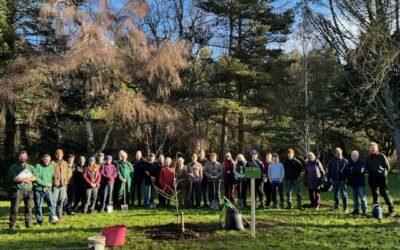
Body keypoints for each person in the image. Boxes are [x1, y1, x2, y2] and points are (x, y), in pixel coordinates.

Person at [7, 150, 37, 229]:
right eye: (21, 156)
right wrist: (23, 180)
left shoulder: (31, 167)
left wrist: (28, 178)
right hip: (17, 190)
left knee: (29, 209)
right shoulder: (13, 167)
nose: (23, 158)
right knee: (15, 209)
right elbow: (14, 178)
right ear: (18, 157)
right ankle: (12, 225)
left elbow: (35, 177)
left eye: (24, 156)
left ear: (27, 157)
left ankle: (28, 224)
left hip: (29, 190)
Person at [366, 142, 395, 217]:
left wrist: (384, 174)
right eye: (371, 148)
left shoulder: (381, 156)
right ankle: (376, 210)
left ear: (376, 148)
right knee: (375, 194)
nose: (372, 149)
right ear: (369, 149)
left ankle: (392, 210)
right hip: (372, 178)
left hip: (381, 177)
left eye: (374, 148)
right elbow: (367, 167)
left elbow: (387, 167)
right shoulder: (368, 157)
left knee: (384, 193)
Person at [33, 154, 59, 225]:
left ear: (50, 160)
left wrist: (50, 183)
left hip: (47, 189)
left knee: (53, 202)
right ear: (42, 159)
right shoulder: (38, 166)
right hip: (38, 189)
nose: (46, 160)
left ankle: (52, 218)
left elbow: (51, 178)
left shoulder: (51, 167)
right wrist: (44, 183)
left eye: (48, 159)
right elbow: (36, 178)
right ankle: (39, 220)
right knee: (38, 205)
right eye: (45, 159)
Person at [344, 150, 367, 216]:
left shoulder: (361, 162)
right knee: (355, 198)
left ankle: (364, 212)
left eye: (354, 155)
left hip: (360, 183)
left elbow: (360, 170)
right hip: (353, 183)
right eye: (352, 155)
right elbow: (346, 170)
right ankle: (356, 210)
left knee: (362, 198)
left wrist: (351, 169)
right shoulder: (349, 162)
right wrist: (353, 169)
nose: (353, 156)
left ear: (358, 156)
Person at [51, 149, 72, 220]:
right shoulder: (52, 163)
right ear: (55, 155)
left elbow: (68, 172)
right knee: (54, 200)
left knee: (62, 199)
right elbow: (50, 173)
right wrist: (52, 181)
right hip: (55, 185)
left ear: (62, 155)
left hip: (63, 185)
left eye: (60, 154)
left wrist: (67, 179)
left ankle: (59, 213)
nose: (59, 155)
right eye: (57, 154)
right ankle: (53, 215)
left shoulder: (65, 163)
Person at [328, 147, 349, 213]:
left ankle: (345, 208)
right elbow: (329, 171)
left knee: (344, 194)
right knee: (335, 194)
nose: (339, 154)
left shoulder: (345, 161)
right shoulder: (331, 161)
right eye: (337, 153)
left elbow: (348, 171)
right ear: (335, 153)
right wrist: (329, 179)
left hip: (343, 180)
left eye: (340, 153)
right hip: (334, 180)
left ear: (342, 153)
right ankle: (337, 207)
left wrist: (347, 179)